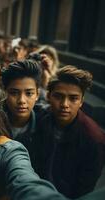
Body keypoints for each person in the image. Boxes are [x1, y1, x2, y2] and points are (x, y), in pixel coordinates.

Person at [33, 65, 105, 198]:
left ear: (81, 101)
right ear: (48, 96)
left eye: (73, 98)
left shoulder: (94, 139)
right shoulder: (41, 119)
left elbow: (84, 188)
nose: (65, 104)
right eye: (58, 96)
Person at [1, 60, 43, 154]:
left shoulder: (45, 125)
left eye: (29, 93)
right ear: (5, 92)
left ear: (37, 94)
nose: (21, 101)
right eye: (14, 93)